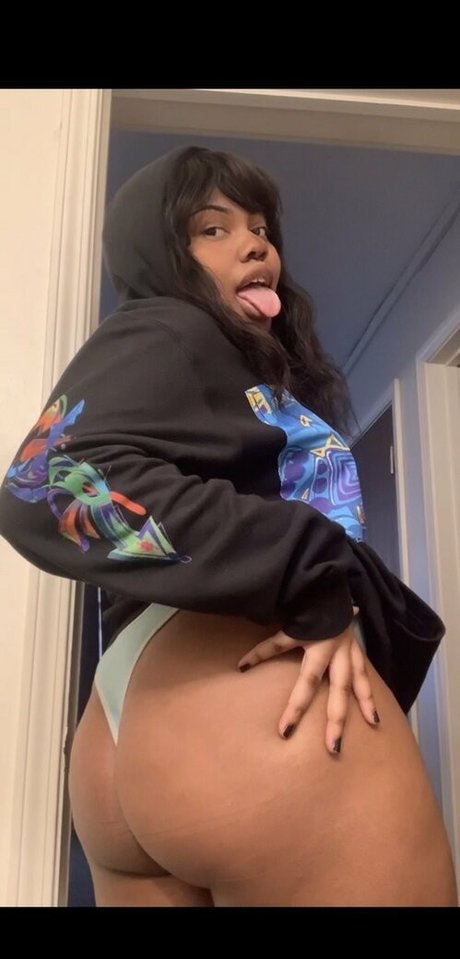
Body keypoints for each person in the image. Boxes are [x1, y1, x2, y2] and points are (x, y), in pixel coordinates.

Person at [0, 145, 457, 907]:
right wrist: (308, 567)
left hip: (131, 735)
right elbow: (41, 483)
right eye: (211, 229)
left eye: (260, 227)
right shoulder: (172, 326)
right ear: (156, 255)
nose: (254, 244)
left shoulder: (224, 369)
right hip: (250, 699)